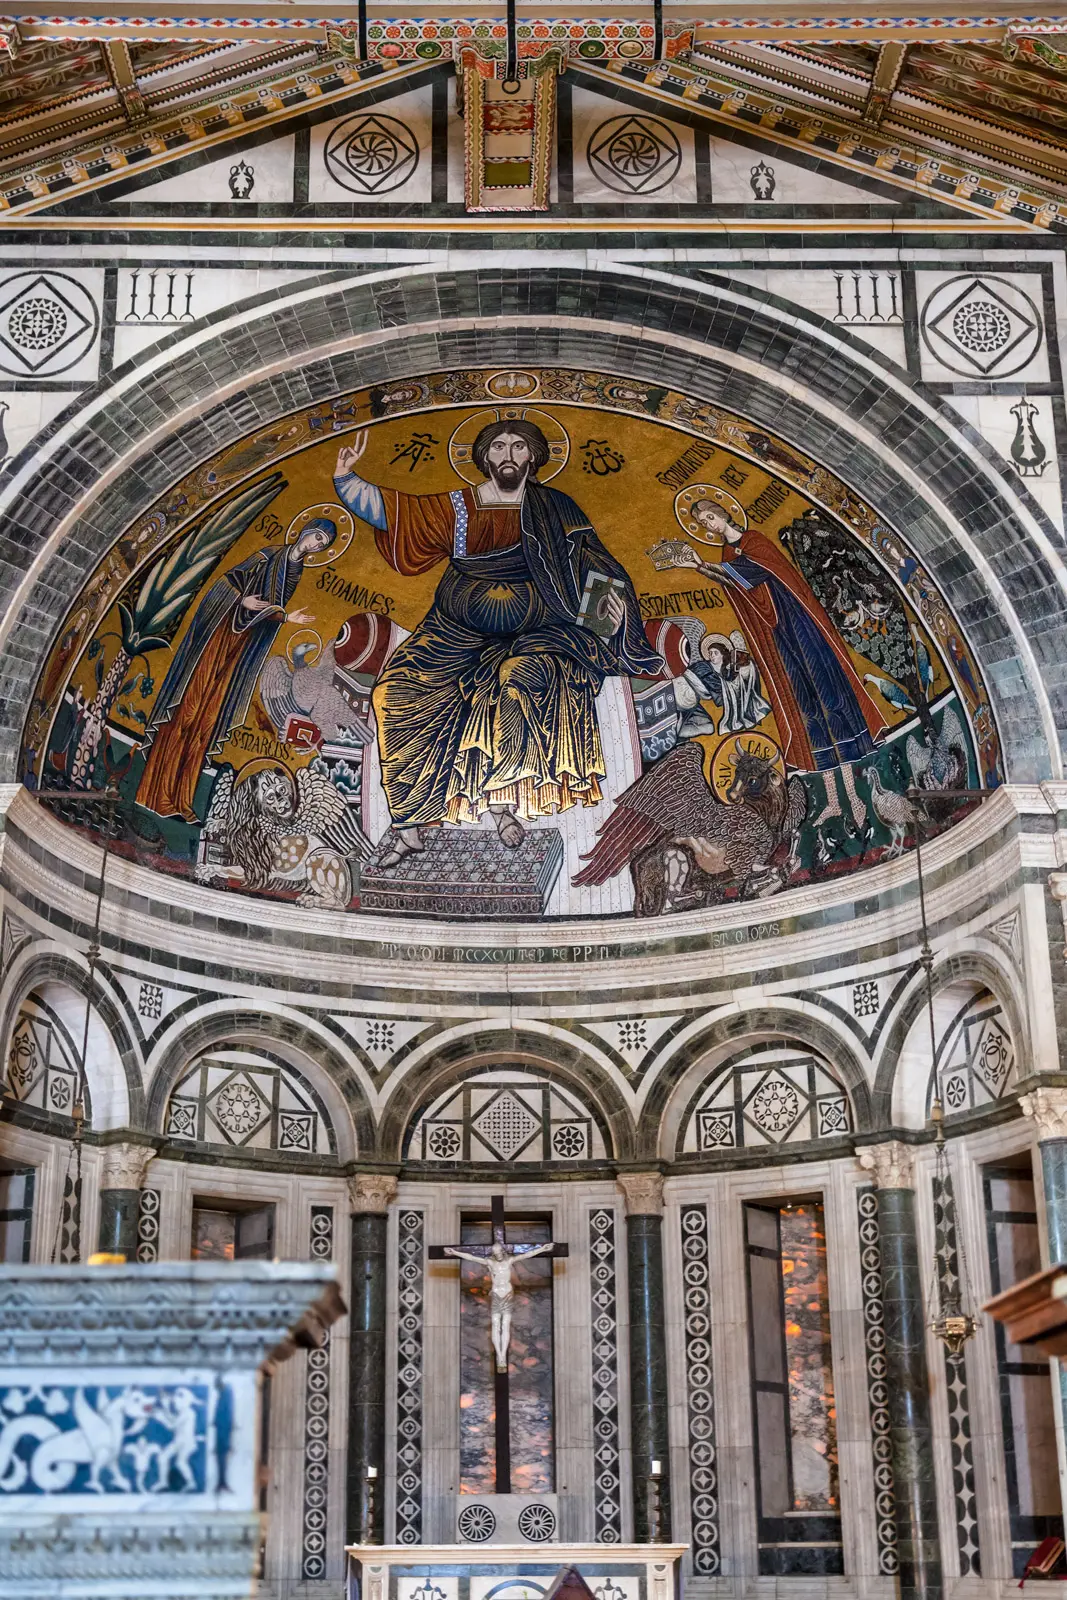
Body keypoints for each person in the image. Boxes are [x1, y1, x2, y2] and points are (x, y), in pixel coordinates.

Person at [334, 422, 660, 868]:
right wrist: (347, 481)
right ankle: (408, 825)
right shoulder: (460, 506)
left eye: (519, 446)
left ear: (534, 457)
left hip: (541, 628)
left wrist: (610, 611)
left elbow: (590, 560)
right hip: (454, 630)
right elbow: (401, 514)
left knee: (515, 679)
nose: (509, 454)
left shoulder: (555, 506)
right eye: (500, 446)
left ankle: (505, 805)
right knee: (394, 692)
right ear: (485, 457)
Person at [137, 520, 335, 821]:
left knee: (208, 720)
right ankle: (158, 794)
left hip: (242, 647)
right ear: (305, 532)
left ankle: (183, 799)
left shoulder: (295, 571)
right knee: (187, 712)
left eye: (323, 544)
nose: (317, 545)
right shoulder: (267, 555)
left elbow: (269, 610)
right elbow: (226, 585)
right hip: (218, 638)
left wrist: (277, 615)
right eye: (317, 537)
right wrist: (243, 600)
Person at [676, 501, 887, 771]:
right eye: (705, 523)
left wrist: (711, 567)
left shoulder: (754, 540)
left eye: (710, 517)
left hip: (795, 616)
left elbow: (759, 569)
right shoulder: (727, 555)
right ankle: (822, 755)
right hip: (772, 628)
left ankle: (856, 742)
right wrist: (699, 565)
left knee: (822, 676)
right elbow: (734, 582)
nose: (710, 525)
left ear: (723, 514)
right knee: (797, 686)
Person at [444, 1240, 555, 1371]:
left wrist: (543, 1249)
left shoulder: (508, 1261)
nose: (499, 1255)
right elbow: (472, 1257)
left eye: (500, 1252)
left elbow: (526, 1255)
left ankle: (503, 1355)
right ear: (494, 1254)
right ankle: (500, 1355)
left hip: (507, 1293)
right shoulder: (490, 1263)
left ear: (502, 1252)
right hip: (496, 1293)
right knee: (496, 1324)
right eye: (496, 1253)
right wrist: (455, 1252)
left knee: (505, 1324)